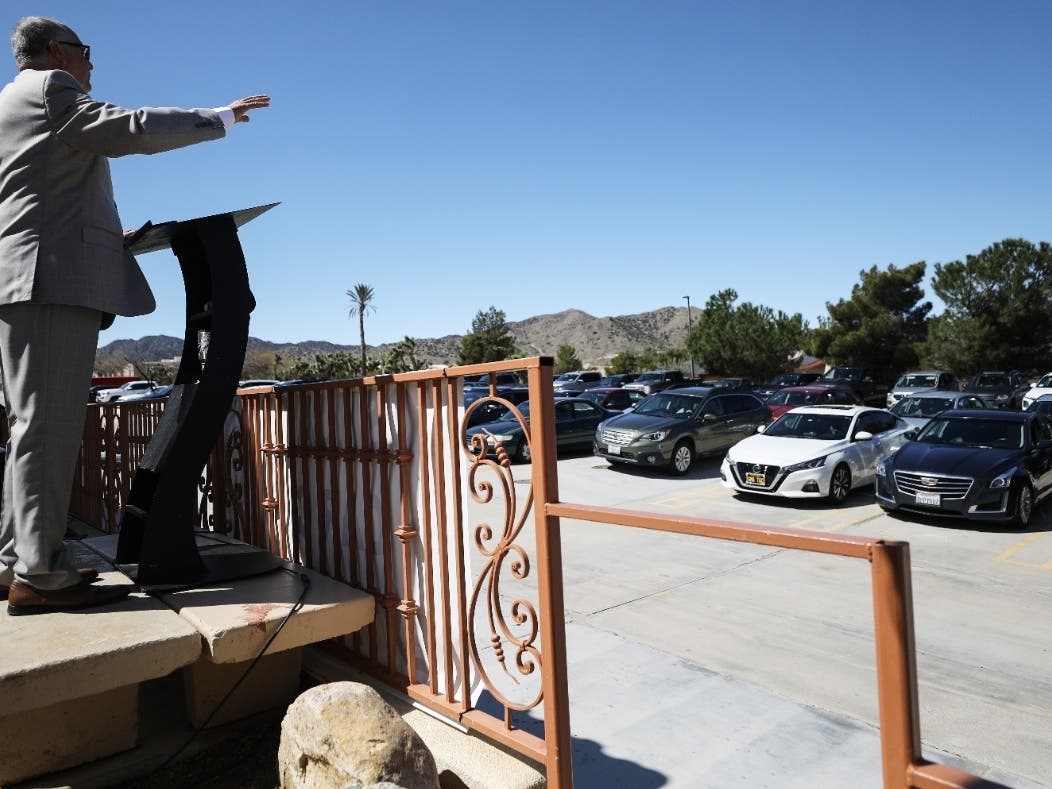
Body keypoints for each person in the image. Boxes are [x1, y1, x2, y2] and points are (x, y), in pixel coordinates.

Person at [0, 16, 269, 614]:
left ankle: (13, 560)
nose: (92, 64)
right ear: (57, 51)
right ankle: (39, 574)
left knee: (29, 428)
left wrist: (102, 237)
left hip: (24, 281)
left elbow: (38, 198)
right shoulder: (50, 88)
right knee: (48, 428)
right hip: (49, 284)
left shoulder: (9, 103)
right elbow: (126, 127)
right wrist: (218, 118)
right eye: (86, 51)